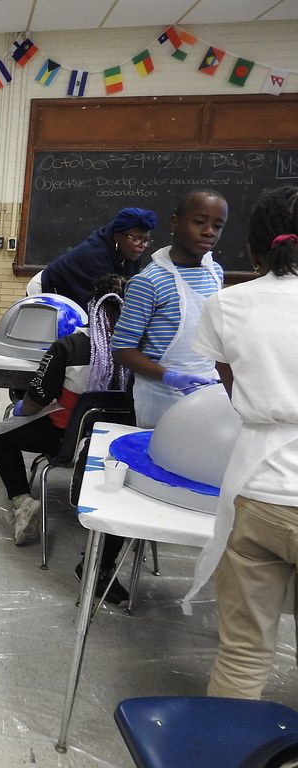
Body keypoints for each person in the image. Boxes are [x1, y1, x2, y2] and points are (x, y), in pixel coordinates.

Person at [180, 186, 298, 699]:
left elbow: (234, 388)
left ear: (253, 252)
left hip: (259, 492)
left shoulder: (228, 304)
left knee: (244, 649)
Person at [0, 275, 132, 602]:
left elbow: (36, 401)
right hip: (112, 450)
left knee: (0, 437)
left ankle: (22, 503)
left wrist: (19, 410)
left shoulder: (69, 347)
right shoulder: (137, 352)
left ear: (90, 308)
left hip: (64, 439)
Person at [111, 189, 228, 428]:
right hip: (160, 396)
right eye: (199, 222)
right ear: (175, 223)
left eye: (218, 226)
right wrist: (169, 376)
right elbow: (122, 350)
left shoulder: (215, 272)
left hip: (207, 391)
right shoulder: (150, 281)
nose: (209, 232)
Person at [28, 207, 158, 309]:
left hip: (72, 291)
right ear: (117, 235)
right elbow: (107, 301)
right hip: (46, 289)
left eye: (146, 240)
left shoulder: (131, 252)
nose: (142, 245)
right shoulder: (94, 255)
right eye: (136, 238)